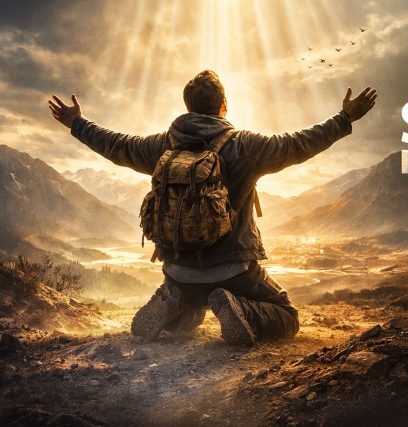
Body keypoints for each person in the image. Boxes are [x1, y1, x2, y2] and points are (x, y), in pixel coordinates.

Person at [48, 70, 377, 345]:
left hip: (178, 269)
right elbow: (298, 143)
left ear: (188, 108)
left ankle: (177, 302)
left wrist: (78, 123)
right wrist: (345, 118)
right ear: (224, 105)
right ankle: (239, 308)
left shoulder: (162, 145)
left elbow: (117, 145)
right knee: (287, 316)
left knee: (191, 307)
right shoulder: (246, 146)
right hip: (233, 271)